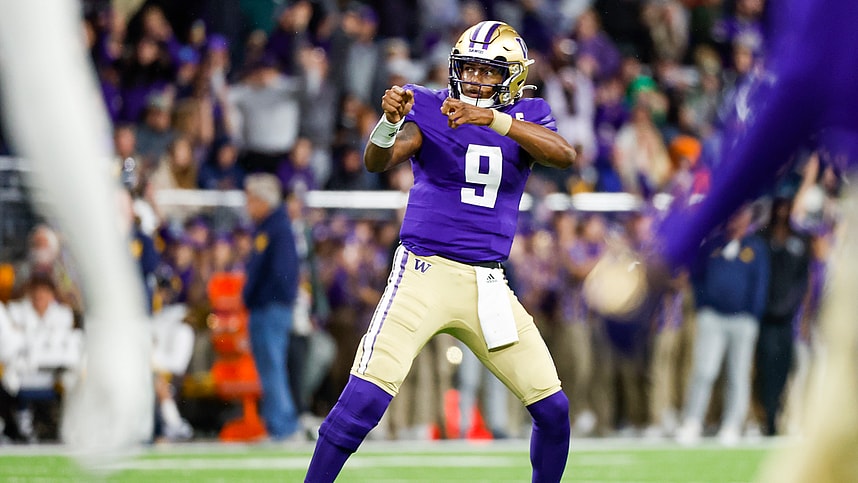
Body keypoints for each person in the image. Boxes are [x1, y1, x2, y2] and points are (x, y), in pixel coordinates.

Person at [305, 21, 577, 482]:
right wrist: (389, 125)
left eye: (486, 71)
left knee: (553, 409)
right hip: (423, 274)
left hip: (488, 284)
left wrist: (494, 120)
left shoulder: (527, 114)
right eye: (466, 67)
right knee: (366, 398)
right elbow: (378, 161)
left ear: (511, 76)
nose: (472, 78)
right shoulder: (432, 107)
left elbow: (564, 155)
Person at [241, 173, 301, 440]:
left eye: (251, 200)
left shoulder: (276, 229)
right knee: (269, 367)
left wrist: (263, 298)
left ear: (263, 201)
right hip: (269, 307)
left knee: (272, 366)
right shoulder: (270, 228)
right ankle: (278, 423)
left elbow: (282, 274)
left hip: (271, 309)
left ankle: (283, 426)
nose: (248, 206)